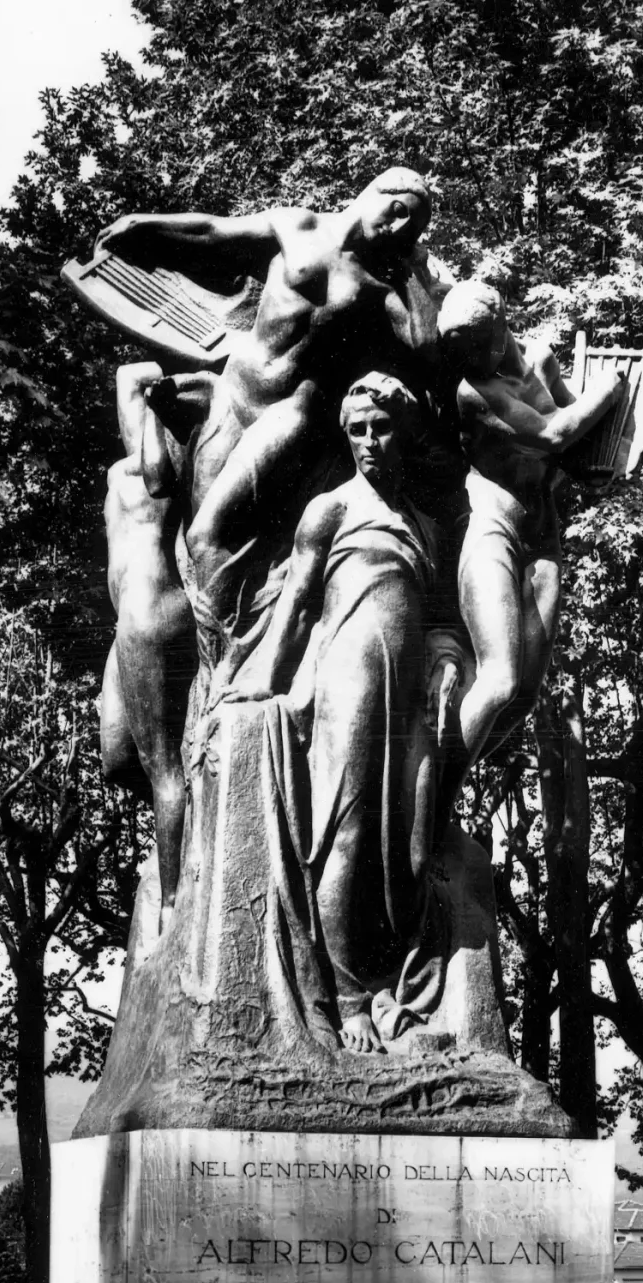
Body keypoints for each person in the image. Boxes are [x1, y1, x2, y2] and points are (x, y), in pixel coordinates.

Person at [91, 170, 448, 675]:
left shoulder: (383, 286)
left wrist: (412, 268)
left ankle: (233, 662)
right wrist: (145, 224)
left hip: (290, 411)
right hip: (232, 395)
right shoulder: (297, 226)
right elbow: (214, 233)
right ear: (373, 191)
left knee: (208, 534)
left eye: (413, 224)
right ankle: (213, 662)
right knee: (200, 536)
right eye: (400, 208)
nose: (399, 225)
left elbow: (425, 347)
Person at [223, 373, 445, 1054]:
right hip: (346, 682)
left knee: (405, 849)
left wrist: (449, 660)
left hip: (407, 700)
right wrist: (257, 680)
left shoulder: (426, 521)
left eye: (381, 428)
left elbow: (440, 619)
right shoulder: (330, 509)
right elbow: (293, 605)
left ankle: (386, 989)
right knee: (344, 836)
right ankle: (349, 1000)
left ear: (402, 432)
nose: (371, 442)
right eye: (357, 431)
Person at [439, 282, 629, 784]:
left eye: (476, 345)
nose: (467, 357)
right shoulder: (472, 392)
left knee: (523, 696)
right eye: (458, 349)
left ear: (503, 326)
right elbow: (554, 434)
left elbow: (574, 444)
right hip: (492, 524)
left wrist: (597, 468)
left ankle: (448, 781)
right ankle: (431, 799)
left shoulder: (541, 360)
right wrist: (609, 389)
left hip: (542, 532)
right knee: (499, 679)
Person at [99, 362, 202, 916]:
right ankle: (191, 814)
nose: (126, 408)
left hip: (153, 613)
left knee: (162, 769)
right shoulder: (121, 469)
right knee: (117, 759)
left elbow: (159, 472)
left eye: (134, 401)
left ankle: (172, 905)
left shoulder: (170, 460)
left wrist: (159, 395)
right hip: (126, 624)